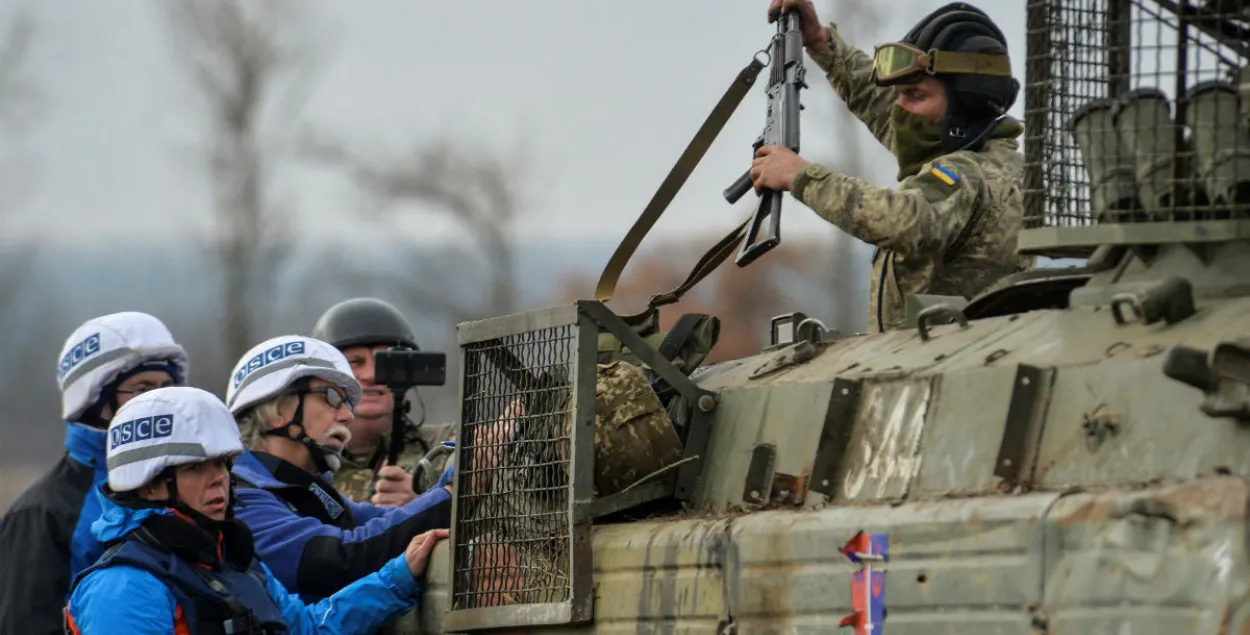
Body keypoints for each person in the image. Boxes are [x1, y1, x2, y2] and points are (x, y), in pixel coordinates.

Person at [61, 385, 449, 634]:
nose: (219, 481)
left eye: (222, 464)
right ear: (149, 483)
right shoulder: (124, 586)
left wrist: (398, 576)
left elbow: (308, 629)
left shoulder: (234, 559)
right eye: (196, 468)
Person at [752, 0, 1035, 333]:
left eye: (914, 94)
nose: (900, 108)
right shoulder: (963, 143)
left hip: (940, 370)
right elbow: (881, 102)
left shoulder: (975, 174)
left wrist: (801, 176)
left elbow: (907, 220)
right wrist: (820, 41)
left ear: (967, 104)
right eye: (899, 93)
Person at [223, 334, 453, 604]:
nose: (348, 416)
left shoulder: (306, 491)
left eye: (348, 403)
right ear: (277, 410)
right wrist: (453, 490)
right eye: (331, 398)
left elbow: (387, 524)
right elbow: (342, 560)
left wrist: (468, 465)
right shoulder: (236, 497)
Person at [0, 311, 189, 635]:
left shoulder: (191, 489)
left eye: (166, 387)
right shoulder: (43, 514)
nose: (157, 402)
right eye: (141, 388)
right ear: (94, 402)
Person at [311, 297, 457, 506]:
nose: (371, 375)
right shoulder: (302, 457)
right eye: (355, 362)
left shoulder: (445, 448)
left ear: (408, 375)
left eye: (386, 363)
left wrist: (422, 503)